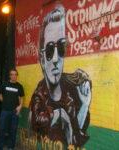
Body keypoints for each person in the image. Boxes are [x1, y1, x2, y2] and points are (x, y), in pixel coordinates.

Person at [29, 4, 92, 147]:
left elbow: (76, 139)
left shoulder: (72, 94)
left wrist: (85, 105)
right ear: (42, 58)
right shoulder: (38, 96)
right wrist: (58, 114)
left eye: (62, 47)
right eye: (50, 50)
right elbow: (37, 125)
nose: (56, 59)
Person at [0, 68, 24, 150]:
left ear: (17, 76)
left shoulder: (19, 86)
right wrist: (5, 102)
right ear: (9, 76)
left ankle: (11, 147)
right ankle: (0, 146)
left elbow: (21, 98)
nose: (14, 76)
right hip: (5, 111)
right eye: (12, 74)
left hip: (14, 112)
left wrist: (20, 107)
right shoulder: (5, 84)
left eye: (15, 74)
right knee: (2, 129)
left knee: (13, 130)